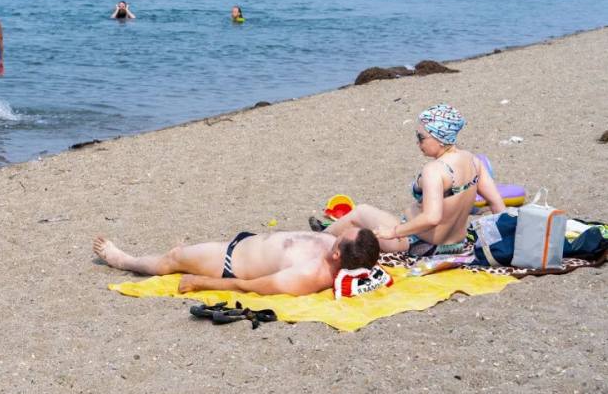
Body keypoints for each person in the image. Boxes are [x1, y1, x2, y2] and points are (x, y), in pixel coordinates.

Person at [318, 104, 506, 256]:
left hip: (418, 244)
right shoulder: (473, 161)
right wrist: (505, 241)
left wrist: (393, 232)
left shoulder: (435, 170)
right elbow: (496, 202)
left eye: (421, 137)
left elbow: (432, 218)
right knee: (361, 222)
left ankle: (318, 239)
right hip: (457, 244)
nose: (418, 142)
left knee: (360, 212)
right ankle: (327, 232)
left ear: (439, 138)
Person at [93, 227, 380, 295]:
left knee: (173, 259)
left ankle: (124, 261)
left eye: (342, 237)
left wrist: (199, 282)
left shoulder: (308, 274)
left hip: (228, 260)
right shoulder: (347, 250)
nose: (338, 233)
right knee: (182, 254)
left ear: (337, 255)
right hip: (247, 243)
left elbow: (251, 286)